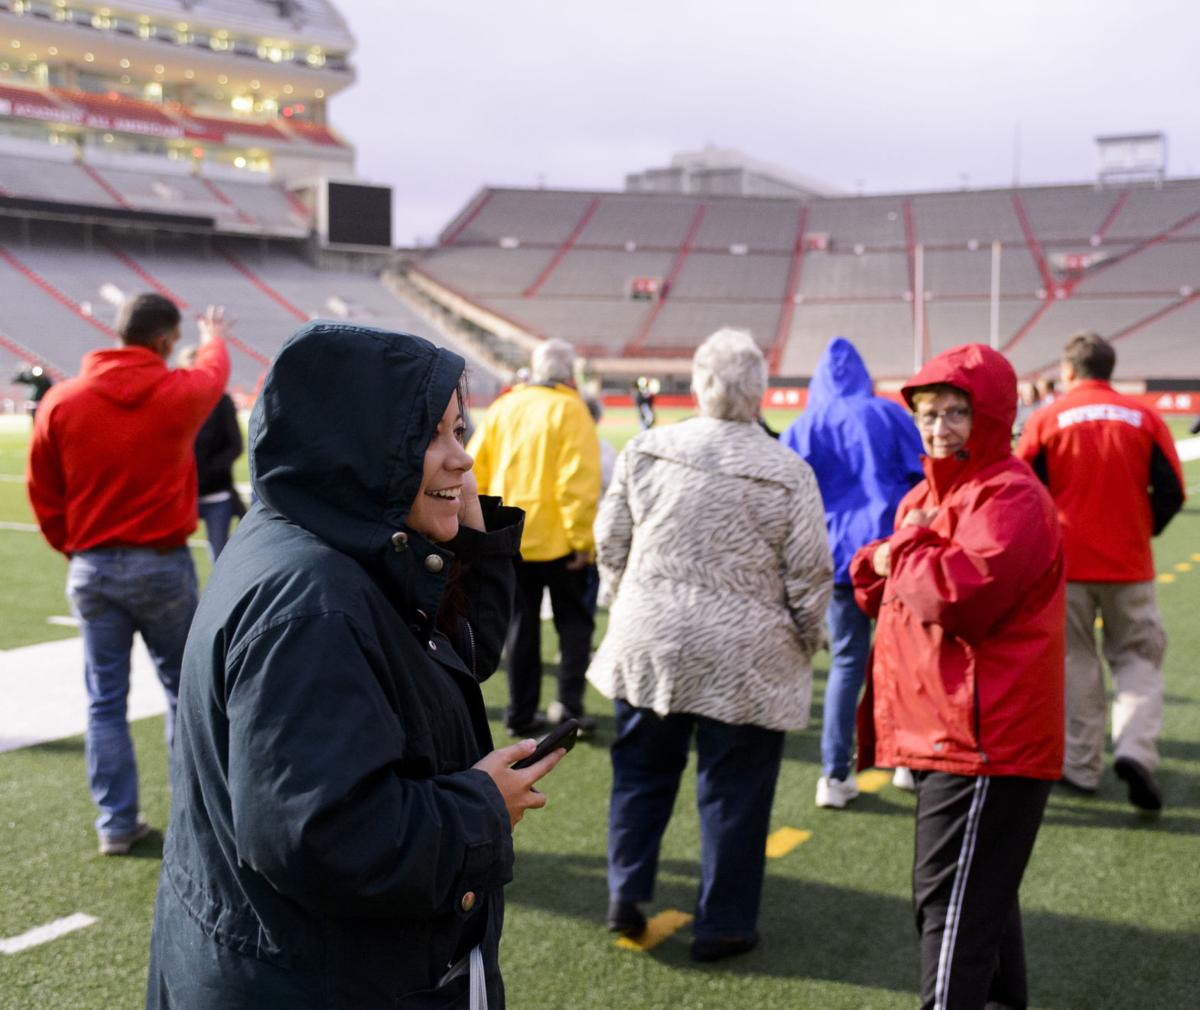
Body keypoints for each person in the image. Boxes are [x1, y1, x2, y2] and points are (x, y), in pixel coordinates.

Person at [145, 322, 562, 1010]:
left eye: (463, 433)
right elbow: (322, 836)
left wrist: (465, 525)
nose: (461, 460)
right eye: (434, 435)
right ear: (364, 442)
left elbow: (455, 656)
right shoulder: (311, 601)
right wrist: (480, 809)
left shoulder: (328, 534)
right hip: (310, 980)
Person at [588, 328, 833, 962]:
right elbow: (808, 572)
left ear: (698, 386)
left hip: (653, 640)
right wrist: (811, 638)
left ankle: (625, 890)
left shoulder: (648, 448)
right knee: (737, 789)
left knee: (641, 772)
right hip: (747, 652)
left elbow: (609, 539)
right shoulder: (788, 471)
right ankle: (722, 923)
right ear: (758, 394)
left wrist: (631, 599)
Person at [851, 343, 1064, 1010]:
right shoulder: (932, 493)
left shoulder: (1009, 495)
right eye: (927, 414)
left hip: (983, 737)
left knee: (950, 906)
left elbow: (958, 594)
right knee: (981, 900)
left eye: (955, 413)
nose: (938, 427)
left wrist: (903, 550)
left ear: (992, 415)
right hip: (951, 727)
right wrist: (892, 557)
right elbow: (879, 582)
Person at [26, 295, 229, 856]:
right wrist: (213, 337)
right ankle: (194, 819)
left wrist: (75, 549)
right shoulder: (177, 393)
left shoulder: (63, 401)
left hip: (93, 564)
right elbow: (213, 371)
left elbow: (43, 492)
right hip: (162, 564)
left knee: (104, 702)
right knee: (181, 695)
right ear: (166, 342)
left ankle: (116, 823)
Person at [1016, 332, 1185, 811]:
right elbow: (1172, 491)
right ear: (1110, 369)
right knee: (1138, 659)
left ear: (1069, 371)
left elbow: (1024, 490)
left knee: (1075, 660)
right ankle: (1134, 750)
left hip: (1066, 565)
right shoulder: (1146, 417)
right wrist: (1140, 530)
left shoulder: (1046, 417)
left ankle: (1082, 766)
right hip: (1130, 564)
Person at [781, 336, 924, 809]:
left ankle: (834, 774)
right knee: (903, 659)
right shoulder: (887, 415)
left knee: (846, 664)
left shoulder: (804, 426)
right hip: (889, 555)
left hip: (835, 558)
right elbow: (923, 478)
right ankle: (907, 759)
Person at [468, 338, 602, 737]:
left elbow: (477, 473)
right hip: (560, 542)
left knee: (520, 629)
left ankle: (520, 714)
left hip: (514, 538)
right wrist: (582, 541)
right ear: (568, 373)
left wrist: (486, 533)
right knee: (574, 627)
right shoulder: (571, 409)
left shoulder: (504, 407)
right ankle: (569, 710)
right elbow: (575, 483)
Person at [179, 345, 244, 559]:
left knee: (220, 558)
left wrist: (208, 472)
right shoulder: (174, 401)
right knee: (172, 559)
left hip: (217, 493)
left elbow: (235, 445)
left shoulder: (222, 402)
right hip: (182, 496)